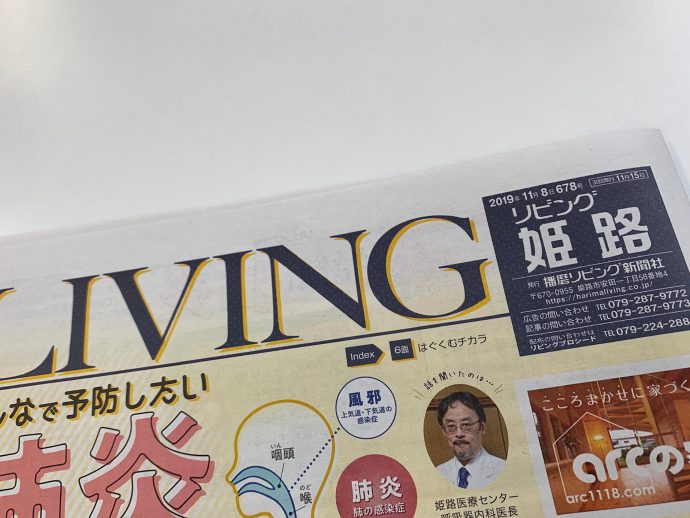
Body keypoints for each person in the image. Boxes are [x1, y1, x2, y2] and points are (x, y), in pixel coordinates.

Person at [435, 391, 506, 489]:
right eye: (451, 426)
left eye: (466, 425)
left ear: (482, 427)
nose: (459, 434)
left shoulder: (503, 469)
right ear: (444, 432)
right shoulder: (437, 473)